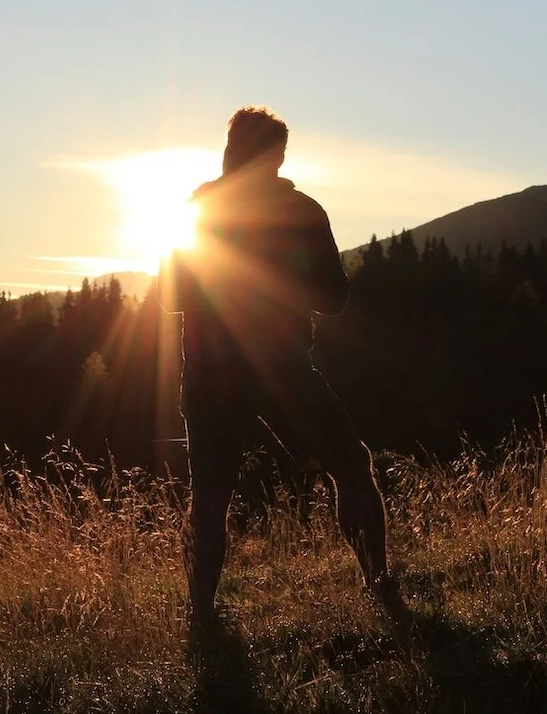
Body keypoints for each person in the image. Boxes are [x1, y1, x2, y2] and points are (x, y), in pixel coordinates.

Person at [160, 106, 406, 622]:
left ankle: (202, 614)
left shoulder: (197, 209)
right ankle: (379, 585)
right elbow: (334, 298)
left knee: (209, 494)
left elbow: (171, 298)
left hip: (207, 371)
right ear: (276, 156)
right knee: (350, 466)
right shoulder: (302, 211)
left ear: (231, 150)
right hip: (282, 369)